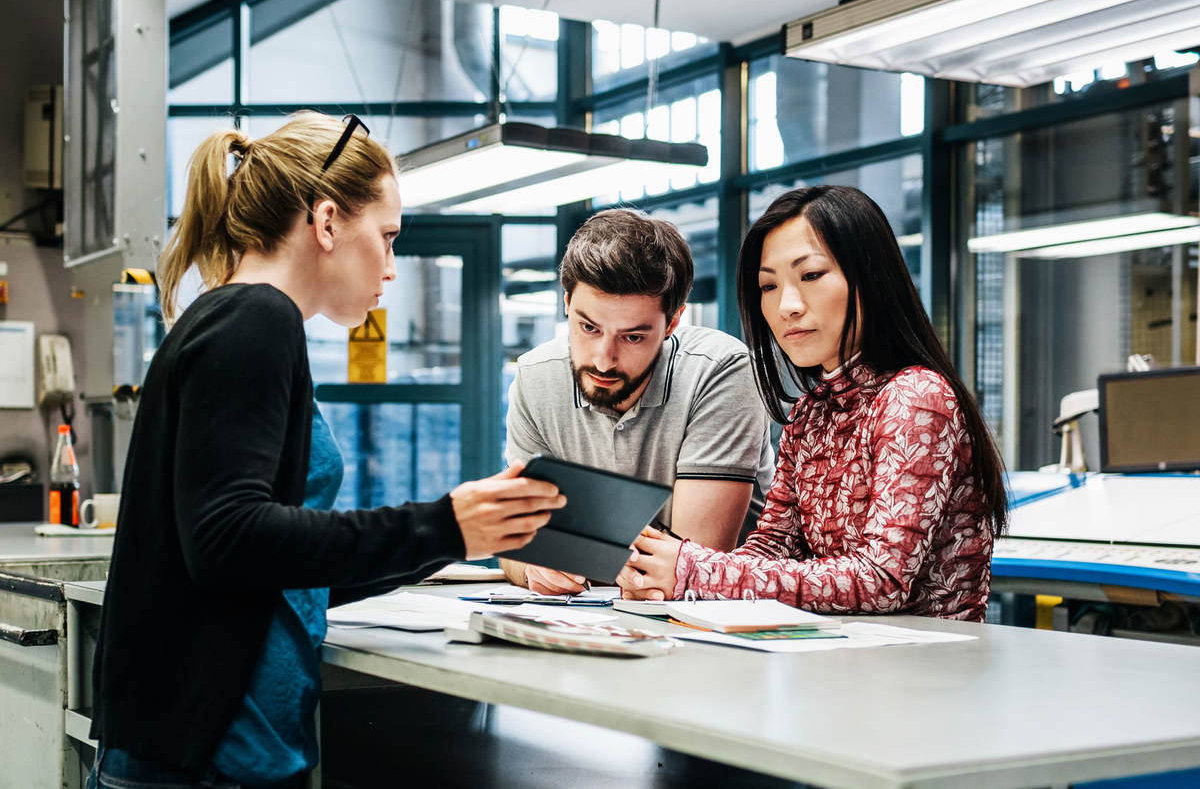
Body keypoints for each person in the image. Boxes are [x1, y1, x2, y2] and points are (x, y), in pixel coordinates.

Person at [87, 112, 563, 789]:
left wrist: (452, 540)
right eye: (389, 238)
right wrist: (442, 523)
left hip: (203, 750)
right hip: (201, 759)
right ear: (329, 221)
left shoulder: (237, 316)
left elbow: (279, 568)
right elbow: (227, 540)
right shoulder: (255, 320)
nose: (393, 269)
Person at [617, 185, 1007, 622]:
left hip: (927, 671)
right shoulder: (812, 411)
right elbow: (772, 547)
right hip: (837, 662)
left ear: (870, 276)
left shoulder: (917, 397)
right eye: (768, 285)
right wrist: (658, 573)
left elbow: (883, 581)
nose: (787, 306)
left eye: (811, 275)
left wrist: (695, 571)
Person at [502, 208, 775, 595]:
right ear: (566, 302)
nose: (602, 359)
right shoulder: (535, 376)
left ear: (673, 322)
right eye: (588, 327)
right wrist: (533, 564)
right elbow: (516, 538)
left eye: (632, 337)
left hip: (714, 625)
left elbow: (687, 564)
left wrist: (570, 547)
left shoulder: (720, 370)